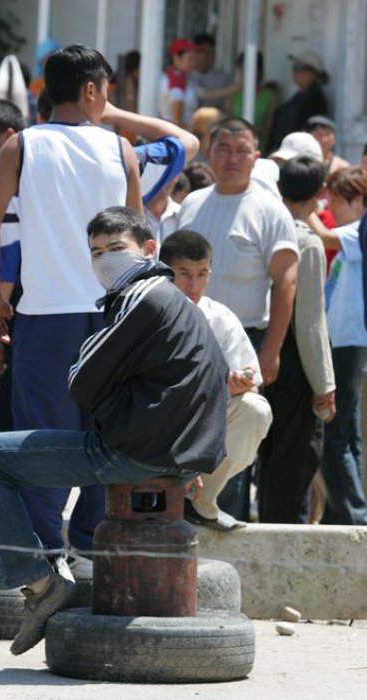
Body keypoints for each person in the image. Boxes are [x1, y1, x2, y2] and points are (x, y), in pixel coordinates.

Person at [0, 206, 228, 656]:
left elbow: (79, 379)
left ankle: (38, 582)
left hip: (131, 451)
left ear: (148, 250)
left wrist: (102, 385)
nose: (106, 259)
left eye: (116, 249)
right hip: (175, 451)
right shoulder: (170, 299)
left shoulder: (142, 295)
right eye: (96, 251)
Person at [0, 45, 142, 578]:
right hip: (115, 316)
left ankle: (47, 563)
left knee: (44, 440)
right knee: (111, 434)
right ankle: (94, 552)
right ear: (92, 89)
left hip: (45, 315)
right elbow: (140, 239)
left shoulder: (19, 146)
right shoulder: (123, 150)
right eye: (107, 92)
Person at [176, 116, 299, 520]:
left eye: (242, 149)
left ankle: (218, 520)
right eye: (223, 149)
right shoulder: (193, 203)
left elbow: (285, 281)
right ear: (210, 152)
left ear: (256, 155)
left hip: (242, 339)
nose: (232, 158)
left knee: (239, 430)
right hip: (184, 338)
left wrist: (271, 350)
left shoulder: (269, 210)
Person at [159, 230, 274, 530]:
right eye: (183, 274)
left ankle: (201, 501)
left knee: (255, 409)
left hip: (203, 419)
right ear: (164, 271)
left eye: (202, 274)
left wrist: (238, 381)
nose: (193, 285)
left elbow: (250, 374)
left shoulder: (219, 317)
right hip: (156, 422)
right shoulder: (146, 313)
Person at [259, 156, 337, 523]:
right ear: (321, 192)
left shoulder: (266, 228)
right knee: (295, 456)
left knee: (265, 450)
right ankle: (281, 531)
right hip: (294, 358)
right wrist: (324, 384)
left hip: (260, 345)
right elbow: (310, 320)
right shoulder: (306, 241)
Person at [313, 167, 367, 524]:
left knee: (334, 431)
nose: (330, 208)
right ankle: (343, 512)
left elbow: (324, 237)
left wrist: (306, 205)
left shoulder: (356, 233)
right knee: (346, 432)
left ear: (358, 201)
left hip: (350, 340)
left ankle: (355, 515)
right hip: (345, 339)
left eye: (336, 201)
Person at [267, 51, 331, 154]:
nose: (295, 72)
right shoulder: (299, 96)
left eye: (300, 69)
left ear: (312, 74)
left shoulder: (315, 99)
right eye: (294, 68)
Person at [159, 37, 199, 128]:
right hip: (177, 129)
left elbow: (203, 93)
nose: (193, 63)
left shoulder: (183, 76)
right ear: (176, 58)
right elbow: (176, 118)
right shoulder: (175, 79)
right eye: (190, 59)